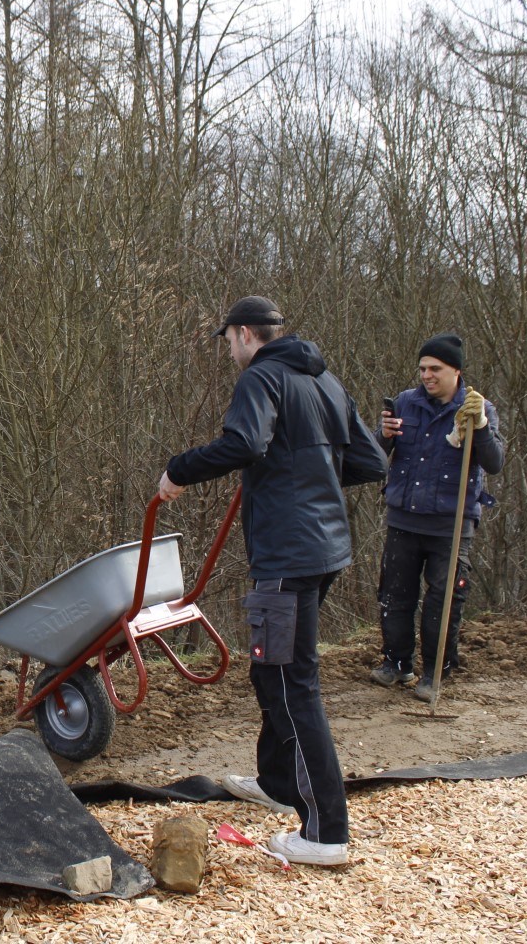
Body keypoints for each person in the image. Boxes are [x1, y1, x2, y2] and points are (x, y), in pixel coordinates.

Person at [158, 296, 386, 867]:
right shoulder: (325, 381)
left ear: (243, 334)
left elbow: (245, 444)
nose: (230, 351)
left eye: (228, 341)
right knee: (271, 671)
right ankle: (278, 782)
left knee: (290, 682)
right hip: (326, 549)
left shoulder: (260, 379)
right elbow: (370, 461)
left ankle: (325, 832)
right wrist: (306, 475)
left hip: (287, 555)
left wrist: (178, 470)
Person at [371, 333, 505, 702]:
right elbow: (374, 458)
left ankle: (435, 672)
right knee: (394, 596)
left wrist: (479, 426)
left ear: (456, 371)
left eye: (435, 369)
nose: (427, 375)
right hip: (404, 518)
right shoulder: (404, 403)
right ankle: (396, 663)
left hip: (451, 523)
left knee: (443, 602)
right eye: (423, 369)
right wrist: (383, 436)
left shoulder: (478, 409)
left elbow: (494, 462)